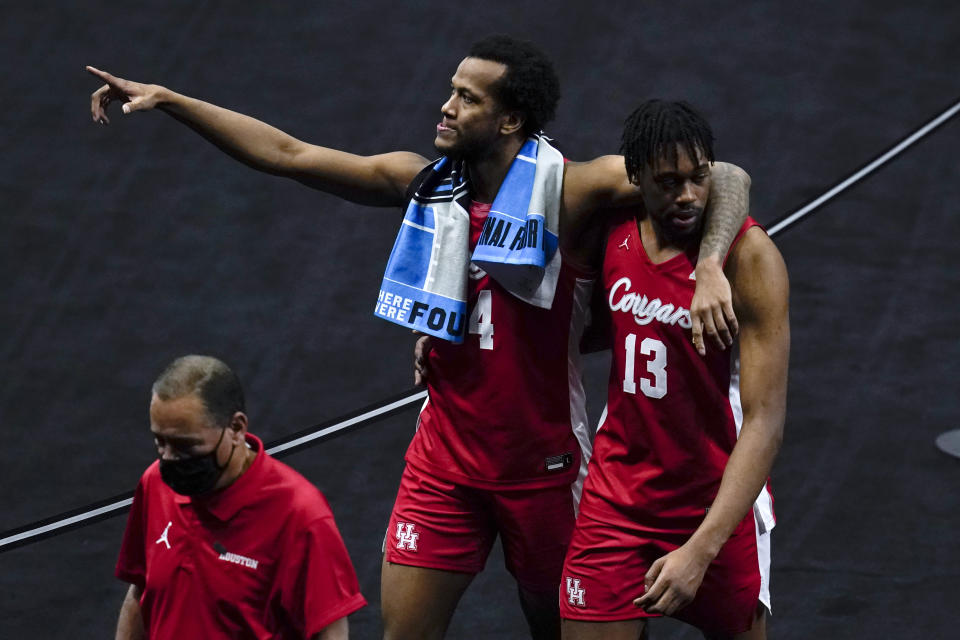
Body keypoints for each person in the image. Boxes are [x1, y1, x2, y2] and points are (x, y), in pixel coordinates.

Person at [88, 36, 751, 640]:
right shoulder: (429, 188)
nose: (446, 106)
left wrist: (711, 266)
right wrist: (171, 100)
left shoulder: (572, 189)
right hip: (445, 464)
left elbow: (722, 176)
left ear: (510, 120)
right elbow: (289, 155)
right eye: (451, 90)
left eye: (467, 97)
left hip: (544, 469)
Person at [558, 100, 789, 639]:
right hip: (617, 498)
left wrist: (700, 551)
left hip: (714, 505)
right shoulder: (612, 231)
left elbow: (765, 422)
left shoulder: (749, 258)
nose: (687, 196)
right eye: (668, 183)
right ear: (634, 178)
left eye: (697, 178)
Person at [114, 355, 366, 639]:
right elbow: (139, 592)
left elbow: (330, 631)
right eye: (160, 442)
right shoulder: (155, 483)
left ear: (236, 428)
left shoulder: (299, 514)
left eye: (186, 446)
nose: (170, 458)